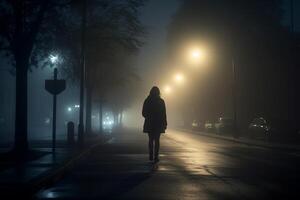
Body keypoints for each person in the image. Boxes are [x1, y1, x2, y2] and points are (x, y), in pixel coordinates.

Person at [142, 86, 167, 163]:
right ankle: (156, 156)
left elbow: (143, 113)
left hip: (150, 123)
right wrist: (165, 123)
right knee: (157, 140)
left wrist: (149, 117)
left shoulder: (147, 101)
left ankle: (151, 155)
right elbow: (164, 114)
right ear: (159, 92)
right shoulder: (161, 101)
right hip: (158, 124)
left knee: (150, 140)